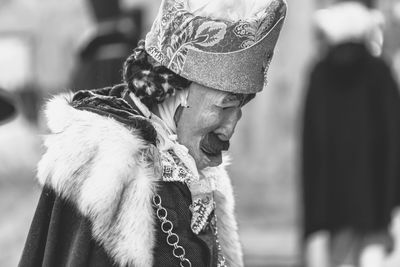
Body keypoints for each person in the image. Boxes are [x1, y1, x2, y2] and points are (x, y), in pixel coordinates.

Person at [19, 0, 287, 266]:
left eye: (238, 109)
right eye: (223, 107)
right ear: (174, 93)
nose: (229, 129)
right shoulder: (103, 171)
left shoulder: (199, 173)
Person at [302, 2, 400, 267]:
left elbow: (310, 149)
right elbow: (394, 140)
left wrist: (311, 218)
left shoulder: (319, 73)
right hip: (374, 198)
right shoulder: (380, 72)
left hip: (329, 201)